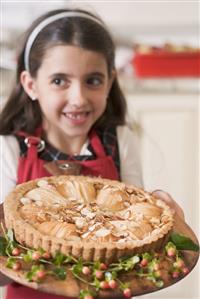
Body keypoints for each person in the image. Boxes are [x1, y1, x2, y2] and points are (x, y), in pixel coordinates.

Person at [0, 7, 184, 299]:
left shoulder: (120, 142)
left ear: (110, 82)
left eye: (93, 81)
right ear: (31, 84)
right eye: (59, 81)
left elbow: (132, 236)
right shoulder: (10, 150)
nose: (78, 98)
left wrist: (166, 225)